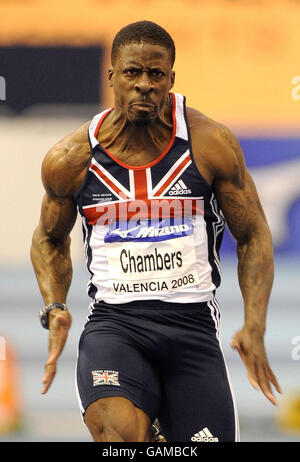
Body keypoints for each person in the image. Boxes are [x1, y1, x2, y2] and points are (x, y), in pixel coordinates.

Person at [31, 20, 282, 443]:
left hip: (192, 328)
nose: (144, 84)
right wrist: (54, 305)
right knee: (121, 436)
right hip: (115, 325)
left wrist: (254, 324)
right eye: (132, 73)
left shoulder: (210, 144)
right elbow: (49, 239)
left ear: (171, 79)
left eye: (156, 74)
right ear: (111, 75)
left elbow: (254, 235)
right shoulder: (71, 159)